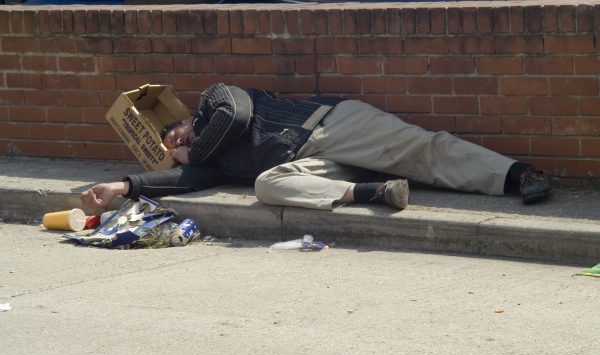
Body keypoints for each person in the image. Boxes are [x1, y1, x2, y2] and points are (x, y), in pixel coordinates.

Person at [80, 82, 551, 211]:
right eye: (170, 142)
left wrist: (194, 148)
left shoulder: (215, 98)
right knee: (267, 186)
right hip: (312, 165)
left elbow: (236, 117)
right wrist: (124, 186)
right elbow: (187, 180)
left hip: (331, 125)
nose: (176, 140)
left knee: (426, 149)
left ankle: (519, 175)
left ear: (184, 118)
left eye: (175, 131)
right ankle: (376, 193)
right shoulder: (215, 160)